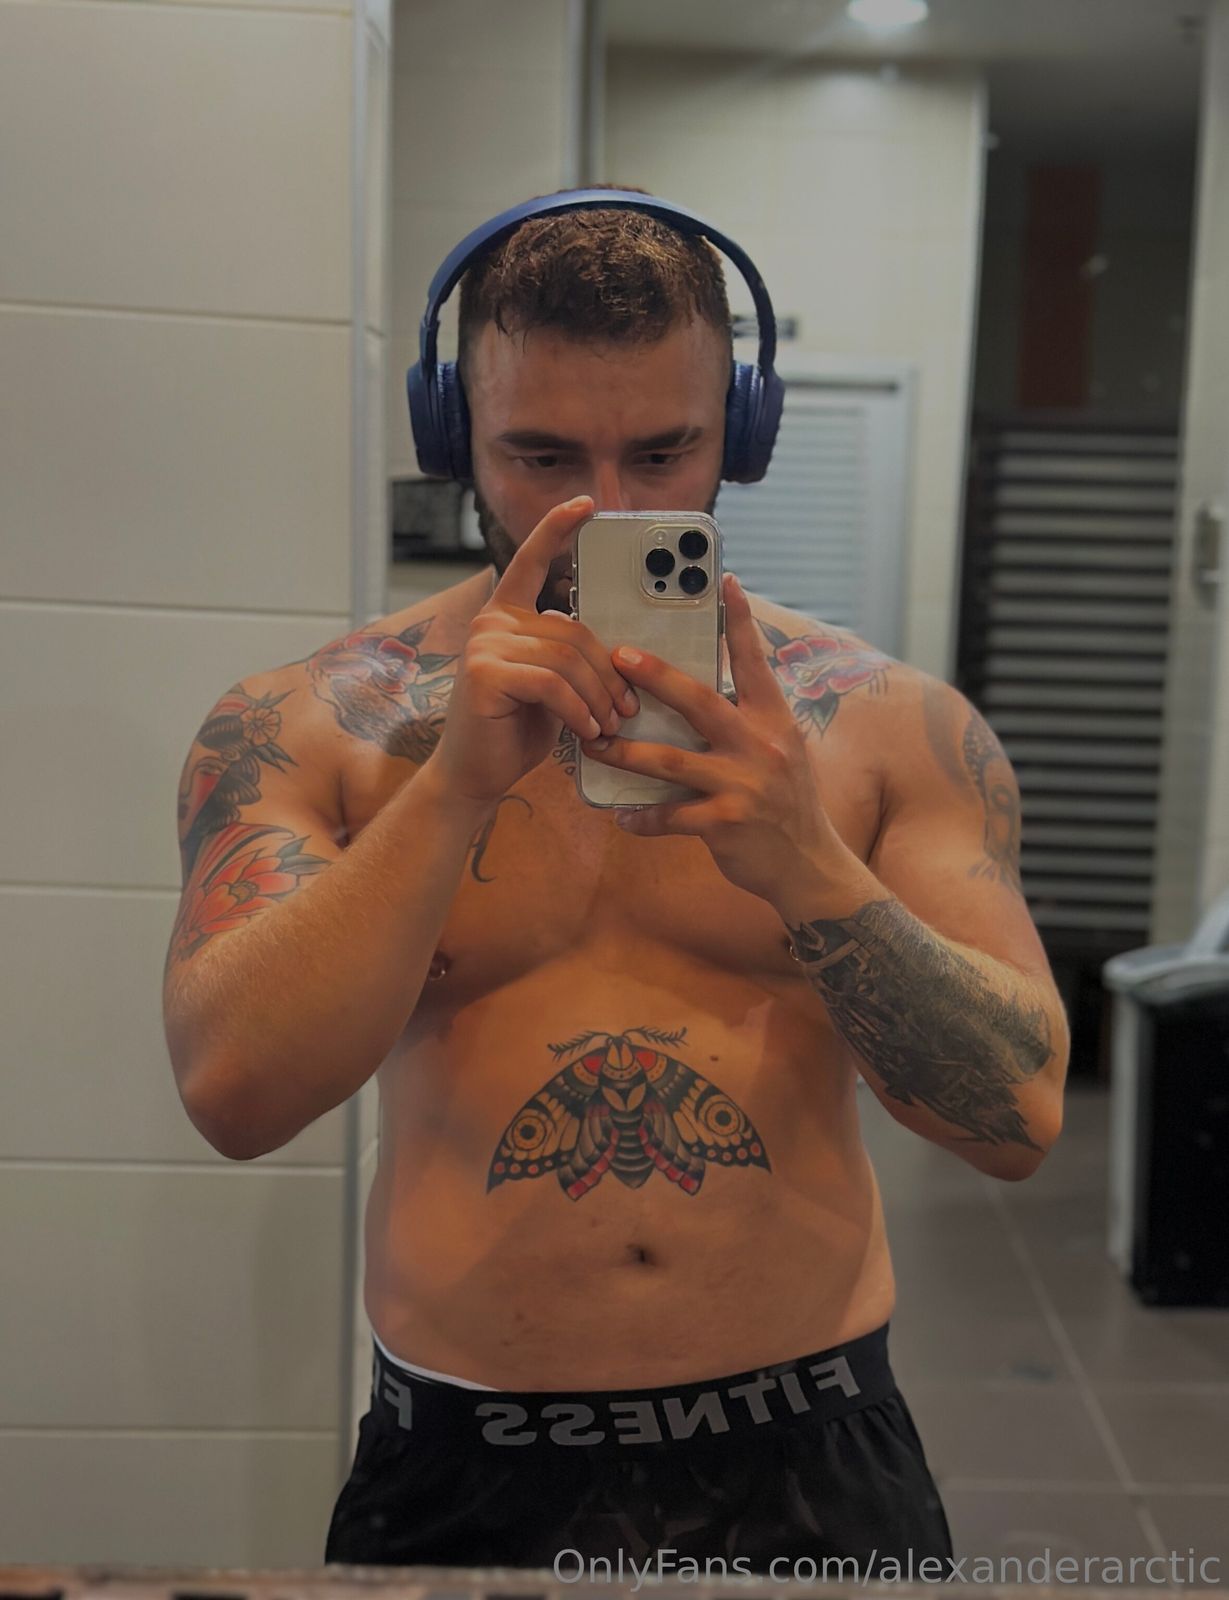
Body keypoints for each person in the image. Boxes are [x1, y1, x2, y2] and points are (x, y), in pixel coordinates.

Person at [162, 186, 1070, 1576]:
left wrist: (806, 867)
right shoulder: (316, 727)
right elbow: (236, 1096)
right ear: (452, 437)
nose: (608, 509)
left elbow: (1017, 1117)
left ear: (740, 435)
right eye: (540, 455)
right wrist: (451, 792)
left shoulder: (888, 727)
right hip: (462, 1452)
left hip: (810, 1442)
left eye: (663, 450)